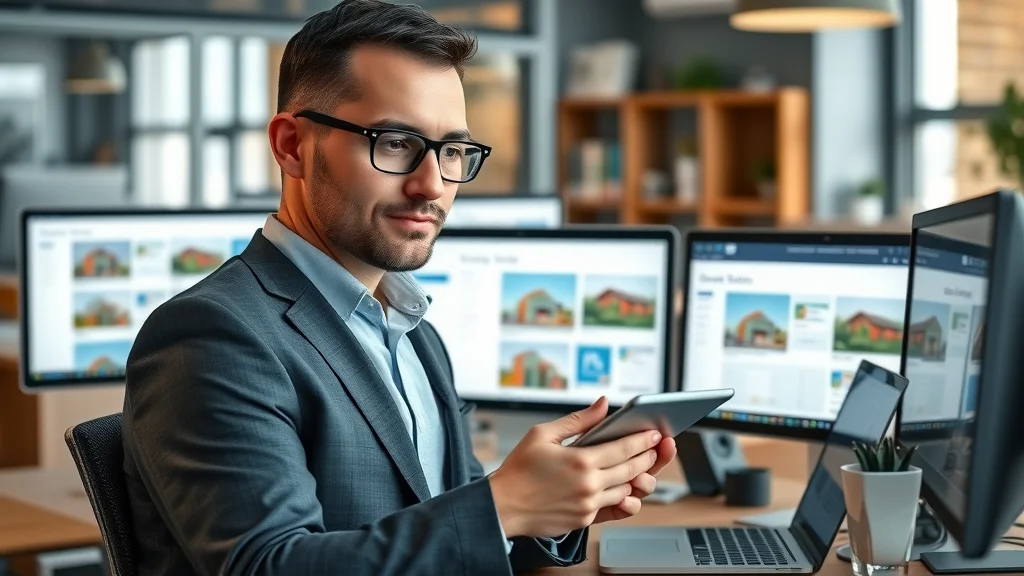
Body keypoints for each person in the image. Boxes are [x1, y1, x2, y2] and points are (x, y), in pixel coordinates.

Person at [121, 1, 677, 574]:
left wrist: (556, 506)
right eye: (393, 142)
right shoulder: (213, 336)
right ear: (291, 146)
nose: (432, 184)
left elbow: (449, 529)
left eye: (453, 150)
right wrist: (502, 505)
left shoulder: (415, 333)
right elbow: (268, 566)